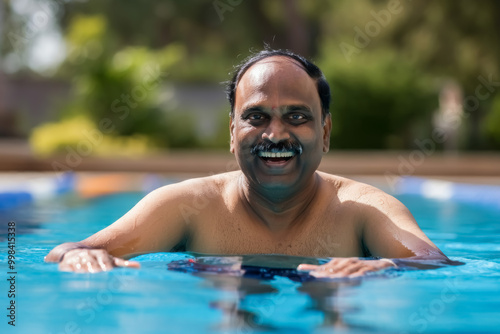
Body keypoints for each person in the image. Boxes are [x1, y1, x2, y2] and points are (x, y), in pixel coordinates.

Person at [46, 49, 453, 277]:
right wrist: (80, 257)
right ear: (231, 132)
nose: (275, 135)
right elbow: (63, 251)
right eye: (257, 117)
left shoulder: (363, 209)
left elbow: (434, 264)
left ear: (325, 133)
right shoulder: (188, 206)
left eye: (296, 117)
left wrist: (383, 268)